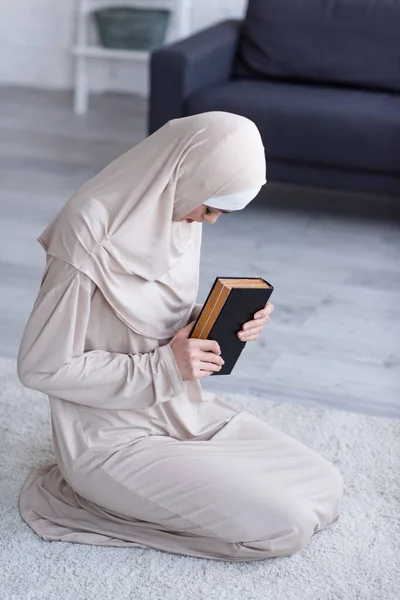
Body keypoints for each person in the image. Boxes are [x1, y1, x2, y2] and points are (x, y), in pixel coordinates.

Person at [17, 111, 345, 562]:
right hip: (111, 441)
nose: (209, 222)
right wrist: (168, 366)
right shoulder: (88, 232)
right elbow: (41, 366)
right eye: (210, 208)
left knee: (325, 486)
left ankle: (192, 481)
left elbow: (148, 314)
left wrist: (219, 321)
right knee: (283, 527)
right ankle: (103, 499)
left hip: (182, 411)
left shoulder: (177, 211)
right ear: (187, 175)